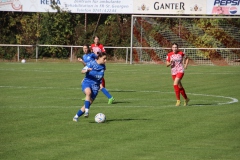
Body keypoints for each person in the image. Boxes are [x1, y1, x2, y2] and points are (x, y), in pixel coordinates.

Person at [73, 52, 107, 122]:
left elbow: (100, 76)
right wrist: (86, 70)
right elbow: (82, 71)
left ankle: (76, 117)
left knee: (88, 103)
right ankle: (87, 112)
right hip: (87, 82)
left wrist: (100, 84)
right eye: (104, 59)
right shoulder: (91, 63)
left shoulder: (103, 66)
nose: (105, 60)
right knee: (88, 93)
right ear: (99, 57)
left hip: (96, 86)